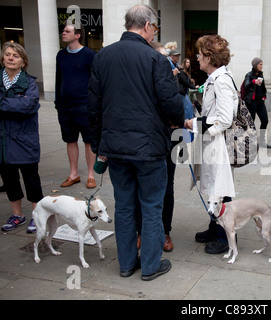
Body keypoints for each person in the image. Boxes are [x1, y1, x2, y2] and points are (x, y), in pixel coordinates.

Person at [88, 4, 184, 280]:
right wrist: (175, 120)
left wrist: (98, 145)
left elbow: (93, 106)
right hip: (149, 147)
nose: (155, 32)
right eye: (155, 27)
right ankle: (151, 266)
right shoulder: (155, 59)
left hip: (116, 147)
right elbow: (171, 103)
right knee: (152, 206)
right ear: (147, 26)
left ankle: (127, 263)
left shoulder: (103, 56)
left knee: (125, 205)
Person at [184, 34, 237, 255]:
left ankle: (225, 237)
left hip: (219, 144)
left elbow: (225, 118)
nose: (197, 58)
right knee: (213, 187)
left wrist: (196, 124)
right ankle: (214, 227)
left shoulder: (221, 80)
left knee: (221, 189)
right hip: (212, 142)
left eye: (199, 54)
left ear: (208, 56)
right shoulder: (216, 78)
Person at [0, 42, 43, 233]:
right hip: (3, 140)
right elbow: (21, 105)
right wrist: (15, 102)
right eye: (7, 54)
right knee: (9, 179)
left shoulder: (30, 82)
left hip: (24, 139)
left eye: (15, 56)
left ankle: (37, 215)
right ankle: (17, 214)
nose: (10, 58)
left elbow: (28, 106)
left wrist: (3, 103)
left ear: (23, 61)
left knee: (31, 178)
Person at [55, 22, 97, 189]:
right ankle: (74, 174)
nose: (63, 33)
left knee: (88, 141)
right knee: (70, 140)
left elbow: (95, 81)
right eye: (64, 30)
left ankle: (91, 175)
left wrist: (94, 103)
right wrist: (58, 102)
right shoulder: (61, 55)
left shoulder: (89, 55)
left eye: (67, 31)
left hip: (84, 105)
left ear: (78, 35)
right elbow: (59, 79)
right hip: (65, 106)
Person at [244, 58, 271, 148]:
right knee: (251, 123)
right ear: (255, 65)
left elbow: (263, 87)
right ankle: (252, 142)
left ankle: (262, 141)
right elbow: (246, 85)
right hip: (251, 102)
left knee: (265, 120)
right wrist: (253, 81)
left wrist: (264, 95)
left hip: (260, 102)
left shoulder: (261, 75)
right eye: (260, 64)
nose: (262, 66)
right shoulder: (249, 75)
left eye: (262, 64)